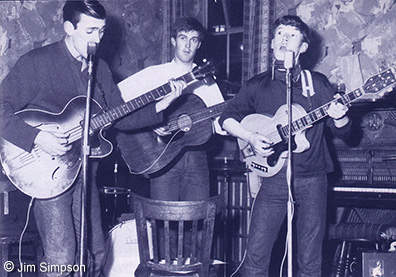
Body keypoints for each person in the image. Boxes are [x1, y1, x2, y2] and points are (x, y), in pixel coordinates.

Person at [0, 1, 184, 276]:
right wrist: (37, 137)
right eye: (90, 31)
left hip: (86, 175)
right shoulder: (37, 63)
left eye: (101, 31)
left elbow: (118, 115)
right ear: (68, 28)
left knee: (96, 254)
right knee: (61, 259)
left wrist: (160, 105)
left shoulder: (101, 69)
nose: (97, 39)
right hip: (48, 174)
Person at [219, 15, 352, 276]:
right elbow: (226, 117)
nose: (284, 39)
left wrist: (341, 116)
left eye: (292, 35)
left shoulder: (318, 84)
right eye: (280, 33)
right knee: (256, 256)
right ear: (271, 43)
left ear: (303, 47)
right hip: (272, 179)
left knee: (310, 259)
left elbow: (346, 133)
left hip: (313, 178)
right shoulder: (257, 85)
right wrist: (251, 138)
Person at [117, 17, 225, 202]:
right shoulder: (154, 74)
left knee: (198, 218)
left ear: (199, 45)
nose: (188, 45)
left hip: (197, 159)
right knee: (164, 221)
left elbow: (221, 123)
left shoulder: (206, 80)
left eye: (194, 40)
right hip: (161, 156)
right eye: (183, 38)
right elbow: (117, 97)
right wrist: (150, 121)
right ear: (173, 41)